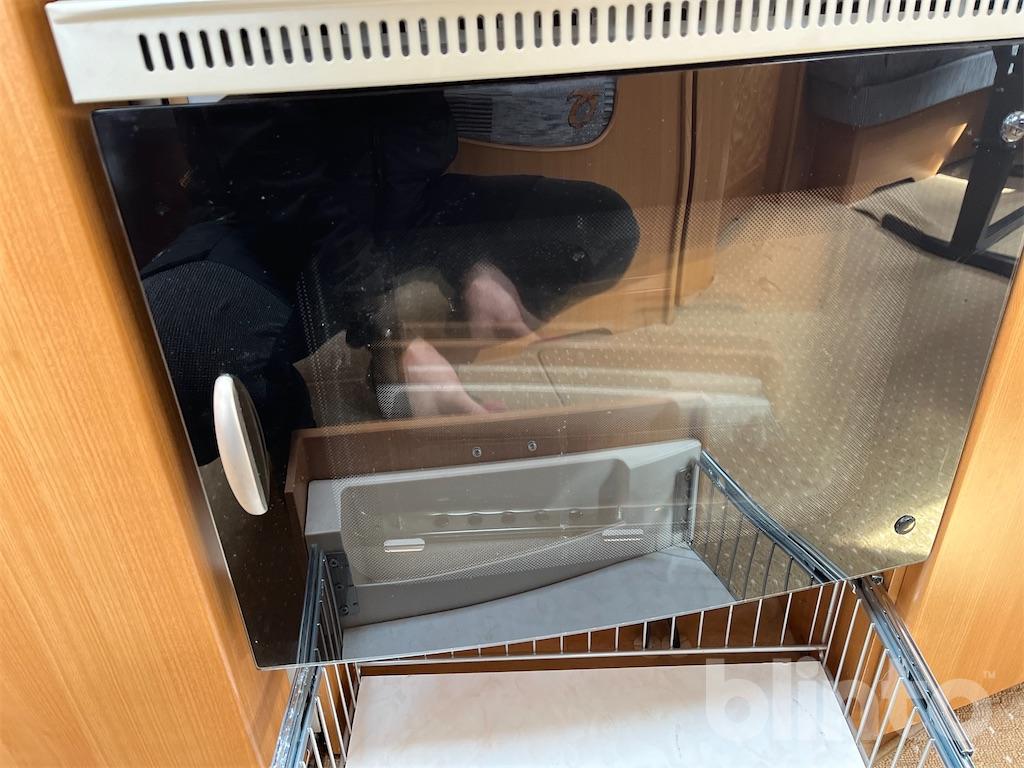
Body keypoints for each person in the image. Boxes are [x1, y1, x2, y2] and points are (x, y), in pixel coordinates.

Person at [135, 89, 639, 465]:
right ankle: (318, 463)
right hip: (275, 234)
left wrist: (472, 259)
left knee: (603, 224)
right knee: (173, 355)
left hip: (404, 209)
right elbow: (284, 187)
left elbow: (418, 147)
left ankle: (422, 368)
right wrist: (392, 331)